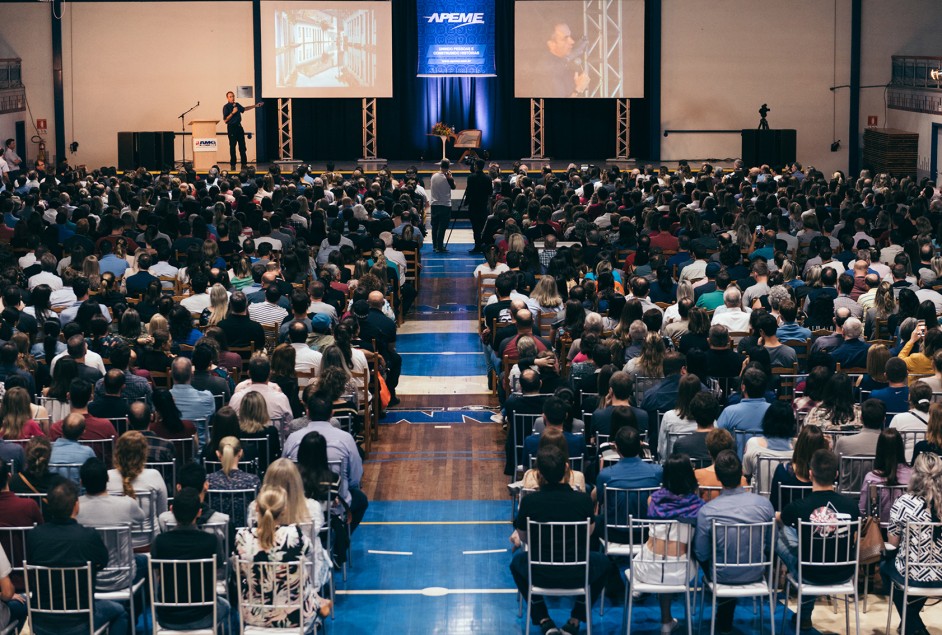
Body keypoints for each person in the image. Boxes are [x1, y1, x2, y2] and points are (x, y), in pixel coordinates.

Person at [509, 445, 610, 635]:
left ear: (538, 473)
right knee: (605, 563)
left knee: (516, 563)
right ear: (567, 469)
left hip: (539, 572)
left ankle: (543, 618)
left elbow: (523, 537)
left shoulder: (530, 502)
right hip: (578, 572)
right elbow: (589, 533)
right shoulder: (583, 500)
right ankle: (575, 618)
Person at [25, 480, 128, 635]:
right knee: (120, 612)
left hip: (41, 620)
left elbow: (32, 564)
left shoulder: (34, 536)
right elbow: (103, 562)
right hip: (81, 620)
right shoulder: (88, 536)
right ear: (76, 505)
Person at [776, 448, 859, 629]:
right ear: (836, 475)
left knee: (778, 533)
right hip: (844, 572)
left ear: (811, 473)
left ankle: (779, 590)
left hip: (808, 572)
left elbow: (780, 520)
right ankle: (804, 615)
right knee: (815, 549)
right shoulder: (852, 507)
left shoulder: (799, 507)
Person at [694, 450, 775, 635]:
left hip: (722, 574)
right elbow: (772, 544)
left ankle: (723, 617)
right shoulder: (764, 505)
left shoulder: (708, 510)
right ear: (741, 473)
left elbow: (701, 553)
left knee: (700, 548)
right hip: (757, 571)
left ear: (719, 478)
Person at [234, 485, 332, 631]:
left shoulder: (242, 536)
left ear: (256, 508)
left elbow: (239, 571)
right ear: (285, 510)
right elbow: (309, 551)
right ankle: (319, 603)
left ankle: (319, 602)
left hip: (253, 615)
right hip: (295, 615)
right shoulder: (294, 535)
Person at [635, 454, 704, 634]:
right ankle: (667, 621)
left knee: (661, 560)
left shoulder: (653, 500)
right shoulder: (698, 507)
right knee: (680, 557)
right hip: (680, 570)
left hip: (647, 565)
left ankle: (665, 618)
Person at [151, 487, 234, 633]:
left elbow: (158, 576)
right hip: (204, 615)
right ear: (199, 513)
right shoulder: (211, 541)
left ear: (171, 510)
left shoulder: (159, 541)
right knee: (226, 606)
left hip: (167, 617)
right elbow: (217, 571)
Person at [283, 394, 368, 531]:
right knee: (360, 499)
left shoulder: (293, 439)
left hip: (298, 501)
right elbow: (355, 478)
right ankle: (341, 536)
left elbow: (284, 470)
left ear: (307, 412)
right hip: (335, 503)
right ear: (332, 413)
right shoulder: (345, 439)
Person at [882, 452, 942, 635]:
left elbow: (893, 543)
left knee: (885, 566)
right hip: (941, 573)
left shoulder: (903, 503)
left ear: (915, 474)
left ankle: (913, 624)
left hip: (911, 574)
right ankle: (911, 623)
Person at [523, 21, 589, 98]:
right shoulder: (546, 70)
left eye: (570, 36)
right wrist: (578, 89)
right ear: (551, 44)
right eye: (565, 38)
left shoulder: (561, 64)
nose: (572, 41)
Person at [859, 428, 911, 520]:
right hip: (905, 526)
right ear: (901, 448)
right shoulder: (912, 475)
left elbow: (863, 508)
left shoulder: (871, 478)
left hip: (878, 528)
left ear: (879, 449)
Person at [742, 401, 796, 483]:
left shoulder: (753, 443)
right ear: (791, 423)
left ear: (767, 420)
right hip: (788, 495)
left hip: (759, 495)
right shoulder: (798, 447)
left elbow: (746, 471)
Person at [889, 381, 932, 462]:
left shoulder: (899, 418)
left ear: (909, 397)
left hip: (905, 463)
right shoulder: (936, 419)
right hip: (931, 465)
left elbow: (890, 444)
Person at [222, 91, 261, 170]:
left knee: (242, 146)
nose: (232, 98)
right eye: (230, 96)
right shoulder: (226, 107)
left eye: (233, 96)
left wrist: (255, 106)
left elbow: (244, 109)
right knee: (232, 146)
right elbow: (225, 120)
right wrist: (233, 113)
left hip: (239, 127)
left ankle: (244, 164)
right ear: (227, 98)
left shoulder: (237, 105)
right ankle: (233, 164)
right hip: (231, 127)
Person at [429, 159, 456, 253]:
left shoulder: (433, 176)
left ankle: (434, 245)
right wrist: (450, 177)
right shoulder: (449, 178)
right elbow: (454, 187)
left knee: (435, 226)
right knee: (442, 227)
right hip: (445, 205)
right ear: (448, 167)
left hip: (434, 204)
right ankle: (440, 246)